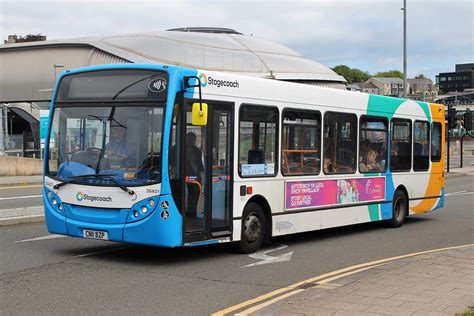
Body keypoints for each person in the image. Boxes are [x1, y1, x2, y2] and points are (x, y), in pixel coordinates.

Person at [185, 132, 204, 217]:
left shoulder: (197, 151)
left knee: (195, 195)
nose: (191, 141)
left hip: (195, 177)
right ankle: (187, 212)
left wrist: (201, 175)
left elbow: (200, 166)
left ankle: (193, 212)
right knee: (187, 195)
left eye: (193, 140)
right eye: (189, 139)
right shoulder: (178, 149)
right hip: (184, 177)